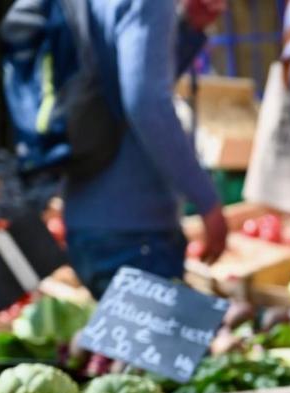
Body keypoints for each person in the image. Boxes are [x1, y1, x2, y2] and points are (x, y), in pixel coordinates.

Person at [62, 0, 228, 297]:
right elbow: (147, 104)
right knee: (165, 343)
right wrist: (208, 201)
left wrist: (187, 30)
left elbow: (126, 83)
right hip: (135, 231)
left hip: (85, 218)